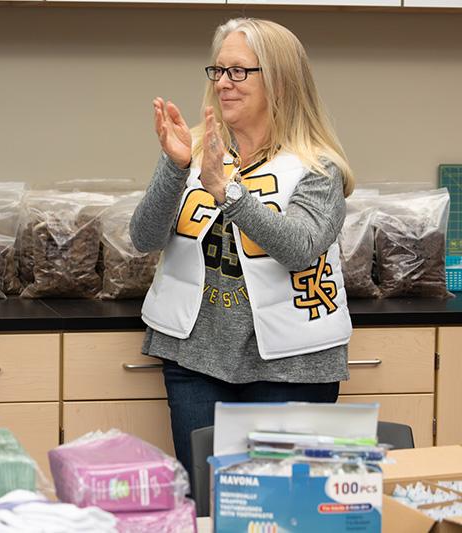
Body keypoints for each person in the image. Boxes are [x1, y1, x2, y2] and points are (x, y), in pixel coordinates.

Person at [130, 18, 355, 480]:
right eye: (218, 71)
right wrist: (176, 167)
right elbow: (144, 238)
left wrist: (227, 191)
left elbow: (300, 247)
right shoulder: (194, 149)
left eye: (239, 72)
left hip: (292, 366)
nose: (224, 84)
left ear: (279, 80)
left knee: (283, 505)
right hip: (194, 357)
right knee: (211, 499)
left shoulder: (317, 166)